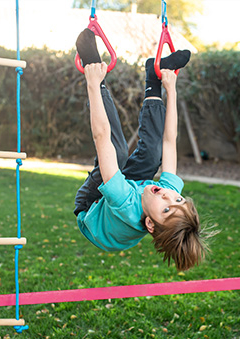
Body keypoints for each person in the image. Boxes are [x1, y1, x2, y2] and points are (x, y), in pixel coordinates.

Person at [73, 28, 207, 271]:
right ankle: (154, 77)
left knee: (118, 152)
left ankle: (92, 62)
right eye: (178, 199)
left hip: (91, 209)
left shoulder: (125, 202)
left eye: (167, 208)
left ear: (150, 225)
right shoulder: (164, 193)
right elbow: (169, 141)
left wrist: (93, 83)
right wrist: (171, 89)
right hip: (131, 194)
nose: (168, 196)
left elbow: (101, 137)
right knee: (154, 153)